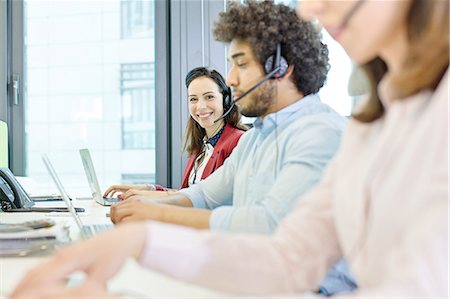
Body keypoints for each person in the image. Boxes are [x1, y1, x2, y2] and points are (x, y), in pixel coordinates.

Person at [14, 0, 448, 297]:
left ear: (281, 67)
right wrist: (141, 240)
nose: (311, 8)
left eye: (240, 65)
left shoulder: (333, 131)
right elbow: (289, 255)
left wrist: (153, 224)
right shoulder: (373, 125)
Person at [103, 67, 246, 200]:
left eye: (209, 97)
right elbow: (187, 194)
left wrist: (148, 196)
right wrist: (150, 189)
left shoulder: (238, 142)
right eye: (193, 99)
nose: (201, 106)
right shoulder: (201, 147)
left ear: (226, 100)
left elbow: (210, 200)